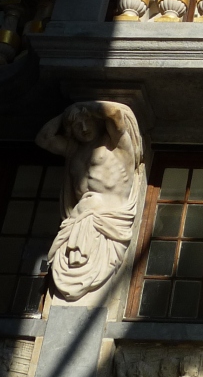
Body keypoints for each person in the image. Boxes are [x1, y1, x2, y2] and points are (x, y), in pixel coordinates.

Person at [35, 101, 145, 300]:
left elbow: (115, 114)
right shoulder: (73, 151)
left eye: (88, 122)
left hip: (108, 224)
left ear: (97, 121)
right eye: (78, 126)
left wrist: (87, 106)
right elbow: (43, 138)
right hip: (76, 224)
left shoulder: (116, 144)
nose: (84, 128)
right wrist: (67, 112)